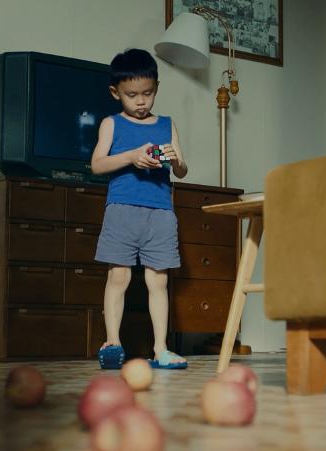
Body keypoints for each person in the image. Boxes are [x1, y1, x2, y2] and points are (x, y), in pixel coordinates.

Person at [90, 48, 189, 370]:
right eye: (132, 95)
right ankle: (113, 343)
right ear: (115, 93)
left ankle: (161, 349)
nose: (141, 101)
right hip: (122, 210)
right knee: (118, 277)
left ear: (156, 88)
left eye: (147, 93)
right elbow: (97, 165)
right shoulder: (111, 124)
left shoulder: (167, 124)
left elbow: (182, 171)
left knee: (158, 281)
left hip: (160, 212)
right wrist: (132, 157)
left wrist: (175, 160)